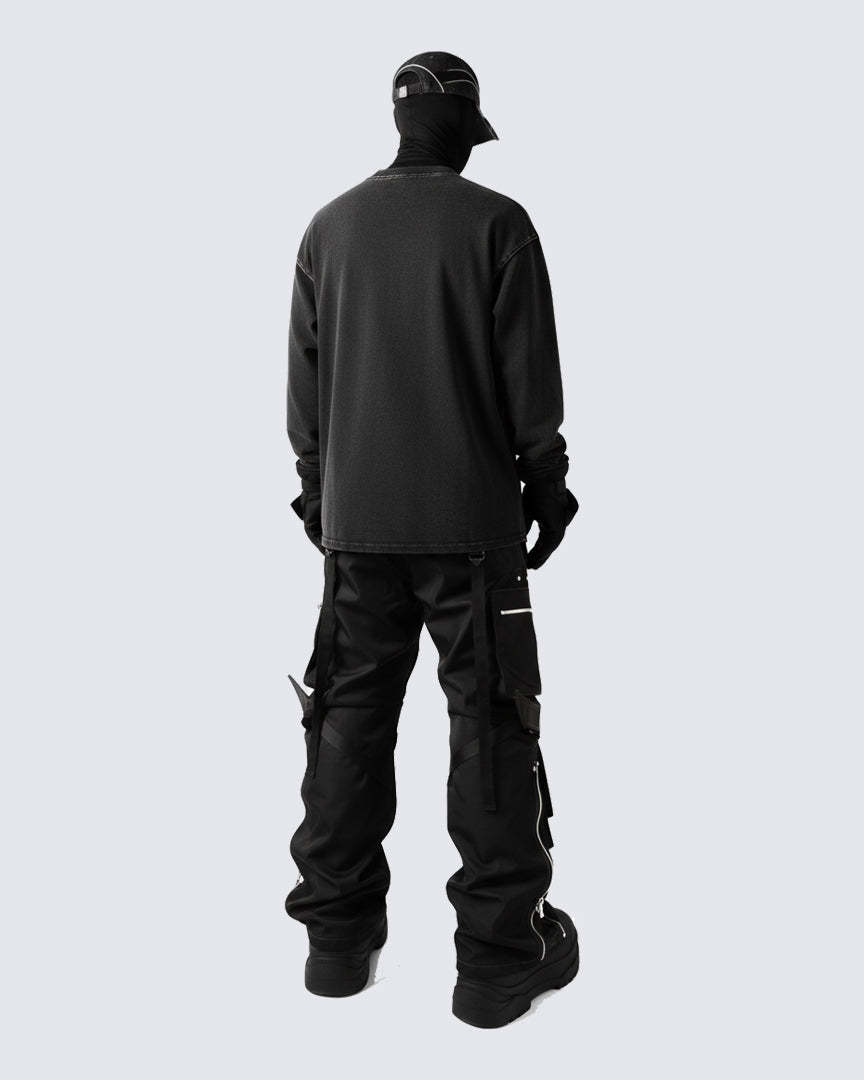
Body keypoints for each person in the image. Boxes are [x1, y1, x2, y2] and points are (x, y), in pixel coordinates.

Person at [285, 51, 579, 1028]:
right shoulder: (498, 224)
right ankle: (498, 963)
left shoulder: (329, 229)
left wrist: (319, 496)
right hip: (472, 529)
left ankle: (336, 946)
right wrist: (549, 488)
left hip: (358, 528)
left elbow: (305, 387)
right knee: (491, 724)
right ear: (462, 129)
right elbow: (529, 380)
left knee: (347, 723)